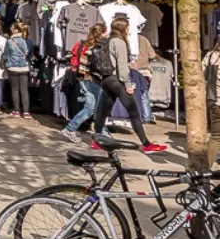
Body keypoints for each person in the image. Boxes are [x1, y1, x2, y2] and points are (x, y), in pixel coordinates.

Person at [91, 19, 167, 153]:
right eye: (127, 28)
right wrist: (128, 84)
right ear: (123, 29)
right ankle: (146, 144)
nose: (129, 31)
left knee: (102, 111)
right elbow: (122, 66)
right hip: (117, 80)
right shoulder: (119, 42)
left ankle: (96, 140)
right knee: (133, 112)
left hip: (106, 79)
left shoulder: (106, 41)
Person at [61, 24, 108, 143]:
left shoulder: (82, 44)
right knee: (94, 108)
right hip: (93, 79)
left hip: (81, 78)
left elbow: (74, 60)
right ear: (102, 33)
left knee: (92, 108)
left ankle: (72, 128)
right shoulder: (98, 46)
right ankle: (102, 135)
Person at [1, 22, 32, 118]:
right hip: (24, 67)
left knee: (15, 90)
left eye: (12, 27)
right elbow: (29, 54)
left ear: (15, 30)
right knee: (24, 90)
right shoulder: (26, 41)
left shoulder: (10, 41)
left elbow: (5, 55)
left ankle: (16, 111)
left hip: (13, 67)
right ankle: (26, 112)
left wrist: (4, 62)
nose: (10, 29)